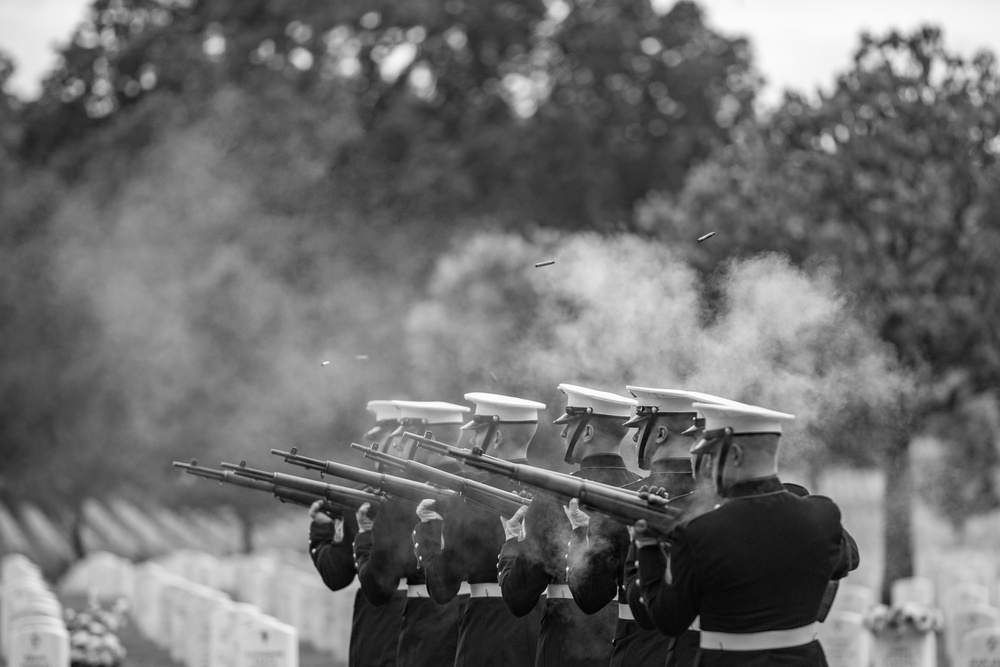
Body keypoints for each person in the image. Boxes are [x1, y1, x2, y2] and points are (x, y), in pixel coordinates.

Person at [633, 402, 860, 666]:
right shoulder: (824, 515)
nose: (705, 465)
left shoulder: (701, 532)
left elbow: (669, 620)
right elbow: (842, 563)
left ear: (736, 454)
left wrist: (646, 544)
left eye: (712, 454)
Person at [498, 383, 638, 667]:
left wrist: (511, 543)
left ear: (587, 432)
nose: (562, 432)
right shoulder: (639, 492)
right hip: (625, 643)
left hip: (565, 646)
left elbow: (518, 597)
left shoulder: (554, 498)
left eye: (569, 425)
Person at [412, 392, 546, 666]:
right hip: (539, 629)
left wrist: (429, 528)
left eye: (478, 433)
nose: (471, 441)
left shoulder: (471, 498)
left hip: (488, 629)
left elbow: (441, 586)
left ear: (495, 438)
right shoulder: (547, 491)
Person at [616, 388, 736, 666]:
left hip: (650, 648)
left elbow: (597, 594)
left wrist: (642, 543)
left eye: (698, 442)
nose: (634, 437)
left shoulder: (633, 497)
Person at [352, 400, 470, 667]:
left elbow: (378, 586)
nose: (397, 447)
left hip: (427, 632)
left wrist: (363, 539)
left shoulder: (402, 499)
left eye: (404, 439)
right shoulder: (475, 488)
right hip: (476, 628)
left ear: (423, 441)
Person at [307, 399, 404, 667]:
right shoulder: (362, 498)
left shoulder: (361, 501)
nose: (374, 452)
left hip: (383, 626)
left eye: (384, 442)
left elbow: (336, 574)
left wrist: (322, 532)